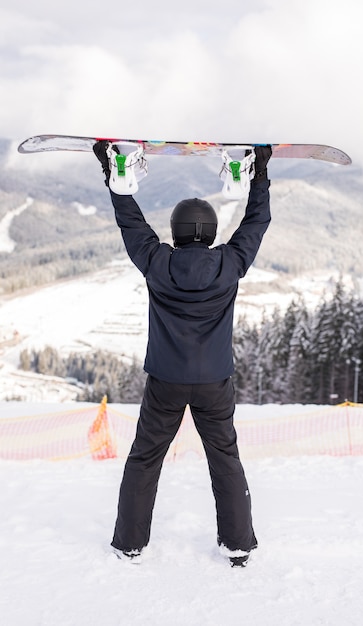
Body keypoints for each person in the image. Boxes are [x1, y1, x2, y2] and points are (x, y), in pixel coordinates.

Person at [93, 141, 272, 567]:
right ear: (210, 232)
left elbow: (130, 222)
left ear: (175, 231)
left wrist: (110, 172)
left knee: (145, 459)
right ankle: (239, 545)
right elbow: (257, 220)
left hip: (165, 383)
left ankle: (130, 544)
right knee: (225, 459)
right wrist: (259, 173)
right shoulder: (230, 263)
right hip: (214, 383)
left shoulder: (157, 261)